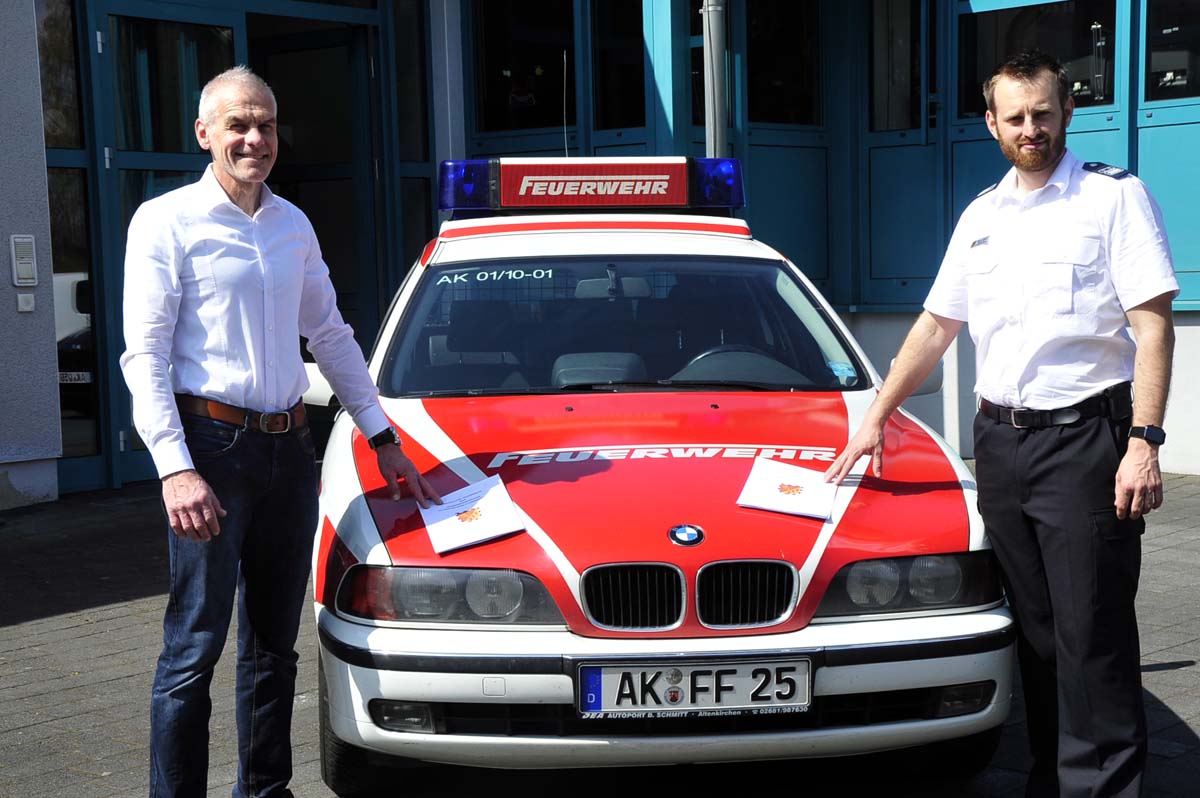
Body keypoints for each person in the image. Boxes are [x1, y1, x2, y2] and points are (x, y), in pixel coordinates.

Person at [825, 50, 1176, 798]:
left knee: (1094, 639)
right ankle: (1053, 783)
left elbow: (1153, 326)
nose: (1031, 129)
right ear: (991, 124)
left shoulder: (1113, 199)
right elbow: (933, 326)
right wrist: (876, 416)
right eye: (1015, 117)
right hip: (1003, 446)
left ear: (1067, 114)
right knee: (1040, 639)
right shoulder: (982, 217)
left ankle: (1107, 789)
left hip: (1087, 441)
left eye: (1043, 114)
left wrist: (1144, 443)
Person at [120, 65, 441, 798]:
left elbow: (329, 334)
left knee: (274, 646)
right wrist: (175, 468)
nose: (254, 138)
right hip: (211, 451)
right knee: (194, 647)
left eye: (264, 124)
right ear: (204, 134)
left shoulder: (292, 224)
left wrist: (381, 436)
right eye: (237, 124)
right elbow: (145, 356)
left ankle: (263, 791)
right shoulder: (166, 222)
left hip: (289, 451)